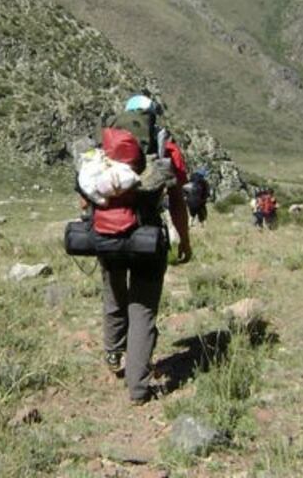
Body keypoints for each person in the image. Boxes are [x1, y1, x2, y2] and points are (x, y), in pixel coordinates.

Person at [81, 93, 191, 405]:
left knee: (114, 293)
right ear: (152, 116)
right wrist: (183, 239)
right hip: (148, 236)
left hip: (108, 234)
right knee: (142, 308)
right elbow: (178, 199)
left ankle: (113, 353)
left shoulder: (107, 148)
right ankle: (139, 387)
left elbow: (85, 194)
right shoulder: (164, 147)